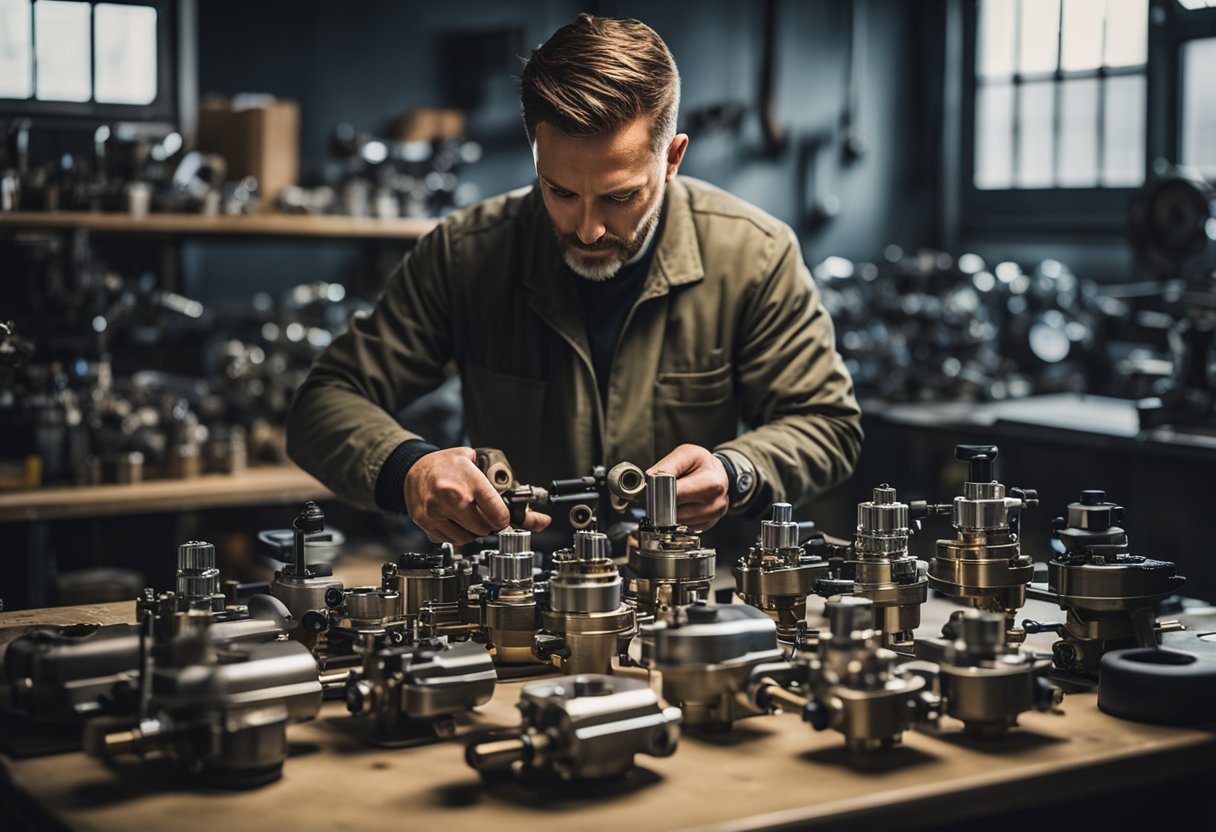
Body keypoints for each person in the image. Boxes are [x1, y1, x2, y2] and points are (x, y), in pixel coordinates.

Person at [286, 14, 862, 546]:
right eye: (560, 191)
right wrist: (408, 469)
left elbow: (826, 423)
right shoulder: (465, 255)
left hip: (693, 605)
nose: (586, 230)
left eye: (619, 196)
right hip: (516, 600)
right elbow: (324, 401)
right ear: (536, 154)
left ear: (673, 158)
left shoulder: (755, 256)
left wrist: (738, 472)